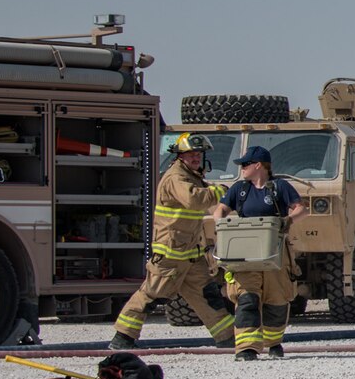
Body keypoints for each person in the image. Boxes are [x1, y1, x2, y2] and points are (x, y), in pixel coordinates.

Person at [111, 132, 235, 351]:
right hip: (171, 253)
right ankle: (122, 337)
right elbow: (194, 199)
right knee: (152, 294)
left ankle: (227, 338)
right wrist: (221, 191)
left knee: (208, 296)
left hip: (190, 254)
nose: (196, 158)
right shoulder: (176, 177)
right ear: (180, 156)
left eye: (198, 154)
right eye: (191, 154)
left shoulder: (191, 176)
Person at [211, 145, 307, 360]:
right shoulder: (239, 190)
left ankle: (273, 343)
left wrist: (288, 220)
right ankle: (246, 348)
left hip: (275, 253)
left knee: (277, 300)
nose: (242, 169)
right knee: (247, 298)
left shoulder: (279, 187)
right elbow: (220, 210)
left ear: (258, 166)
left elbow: (301, 209)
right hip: (246, 255)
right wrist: (222, 225)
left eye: (245, 164)